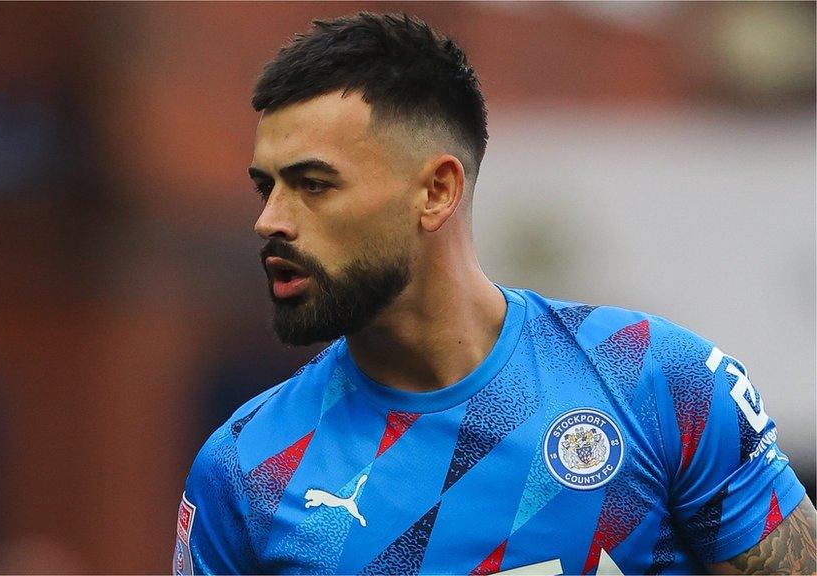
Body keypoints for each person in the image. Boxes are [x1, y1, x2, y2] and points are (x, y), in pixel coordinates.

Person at [174, 12, 816, 575]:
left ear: (436, 192)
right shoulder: (246, 471)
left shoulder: (655, 383)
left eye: (313, 184)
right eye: (268, 187)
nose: (271, 221)